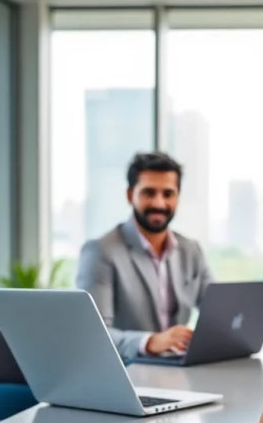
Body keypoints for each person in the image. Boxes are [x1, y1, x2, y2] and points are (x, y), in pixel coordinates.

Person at [76, 152, 212, 360]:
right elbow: (93, 334)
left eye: (168, 194)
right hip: (127, 372)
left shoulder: (191, 250)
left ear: (178, 197)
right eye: (149, 193)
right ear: (130, 195)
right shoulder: (100, 251)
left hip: (178, 368)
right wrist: (149, 342)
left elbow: (217, 313)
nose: (159, 203)